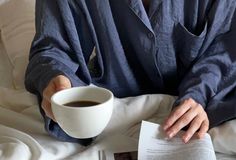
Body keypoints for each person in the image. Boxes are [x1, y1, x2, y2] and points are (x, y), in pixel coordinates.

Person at [25, 0, 236, 143]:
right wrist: (56, 78)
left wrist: (199, 93)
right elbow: (53, 48)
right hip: (115, 106)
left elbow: (225, 45)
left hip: (196, 106)